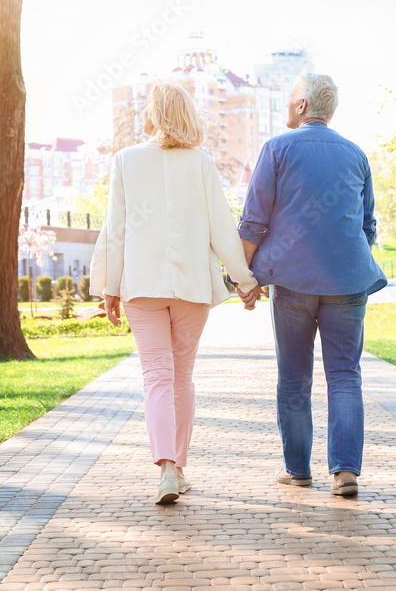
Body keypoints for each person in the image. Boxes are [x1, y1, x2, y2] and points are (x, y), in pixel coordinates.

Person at [91, 82, 262, 505]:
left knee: (156, 376)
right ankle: (177, 467)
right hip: (190, 288)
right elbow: (223, 229)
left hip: (141, 287)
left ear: (154, 114)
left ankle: (167, 468)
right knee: (181, 375)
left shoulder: (127, 161)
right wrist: (244, 280)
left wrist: (109, 288)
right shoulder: (200, 164)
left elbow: (116, 230)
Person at [236, 72, 386, 496]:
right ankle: (345, 473)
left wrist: (242, 277)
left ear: (302, 106)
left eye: (289, 100)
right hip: (348, 283)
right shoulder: (356, 154)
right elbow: (367, 224)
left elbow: (253, 223)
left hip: (293, 285)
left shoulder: (277, 149)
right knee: (344, 376)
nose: (286, 106)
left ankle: (298, 470)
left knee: (295, 379)